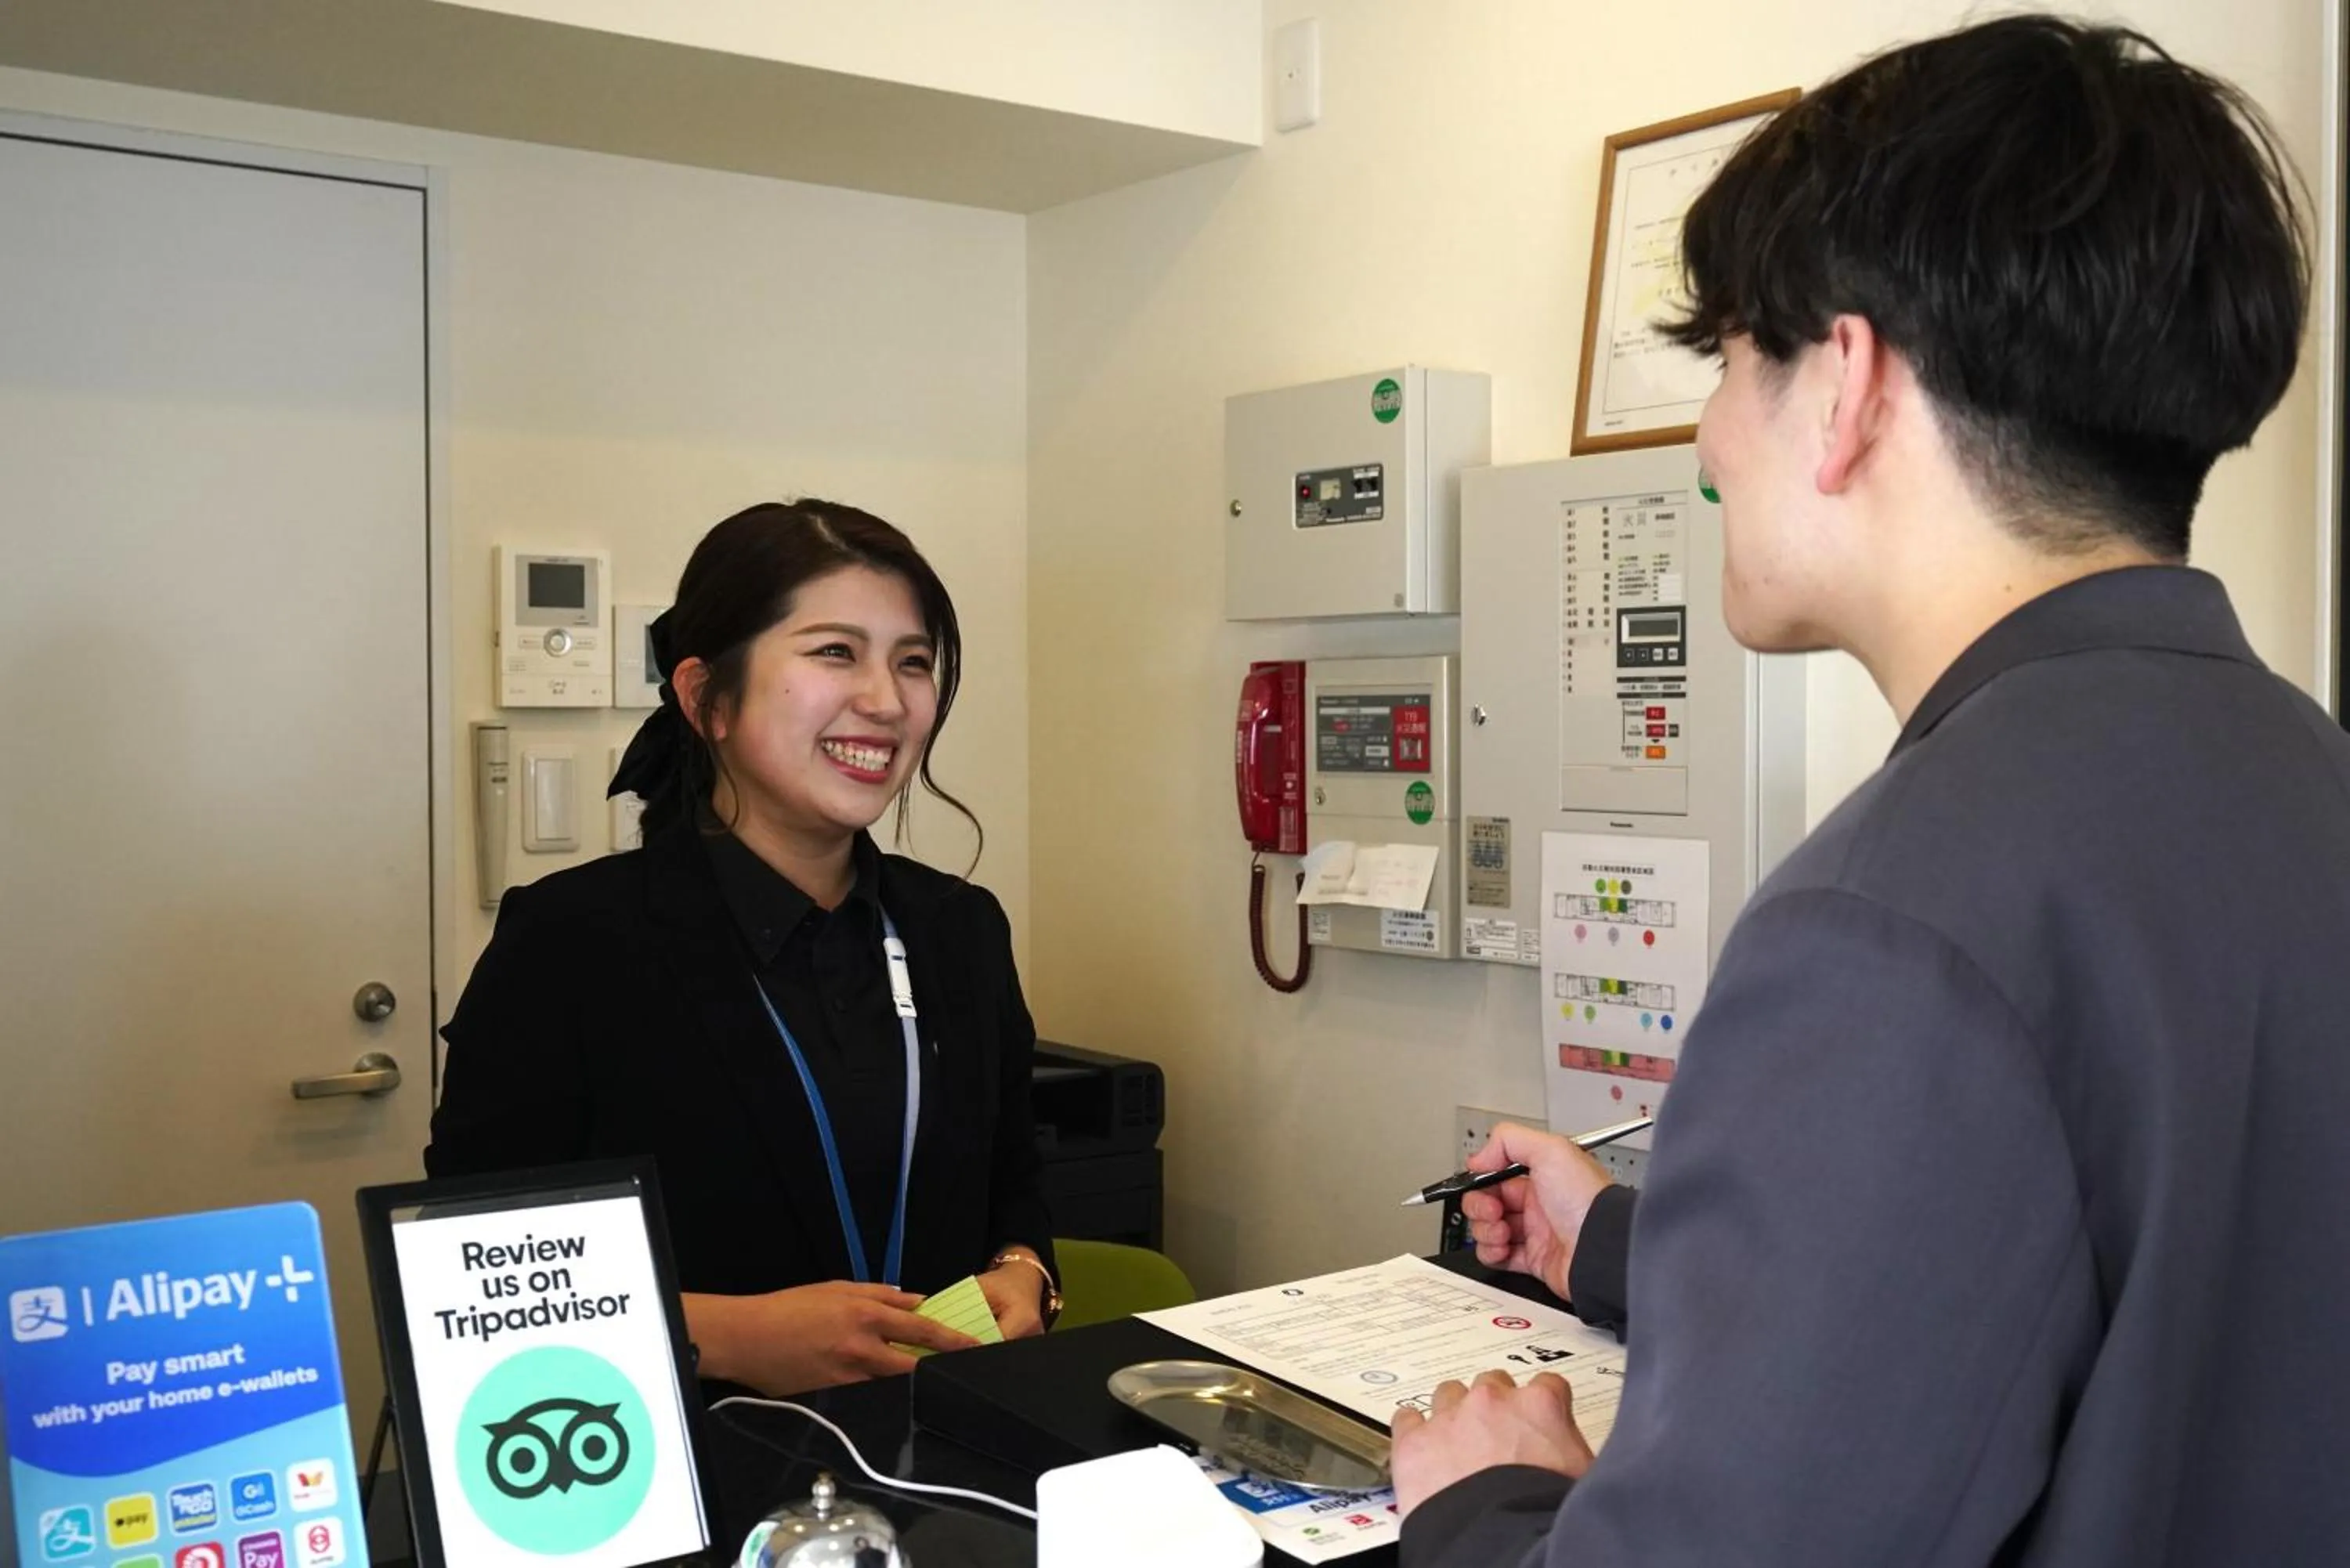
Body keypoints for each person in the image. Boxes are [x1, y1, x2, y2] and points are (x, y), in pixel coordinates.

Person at [1393, 16, 2350, 1566]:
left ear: (1843, 383)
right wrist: (1617, 1242)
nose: (1706, 436)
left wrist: (1484, 1502)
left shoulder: (1891, 922)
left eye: (1727, 361)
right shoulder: (2308, 781)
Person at [428, 499, 1059, 1396]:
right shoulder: (572, 945)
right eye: (835, 651)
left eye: (912, 661)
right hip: (681, 1471)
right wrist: (719, 1335)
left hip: (948, 1453)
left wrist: (1024, 1267)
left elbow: (1016, 1177)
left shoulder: (959, 929)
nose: (886, 700)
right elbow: (466, 1268)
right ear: (704, 698)